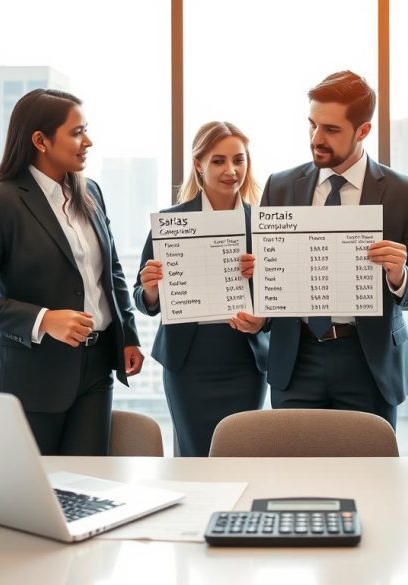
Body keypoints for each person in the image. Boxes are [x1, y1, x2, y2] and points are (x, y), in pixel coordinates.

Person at [0, 88, 144, 456]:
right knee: (35, 492)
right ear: (40, 140)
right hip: (31, 376)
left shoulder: (93, 194)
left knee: (87, 486)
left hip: (97, 370)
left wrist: (127, 335)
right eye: (76, 133)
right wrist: (44, 319)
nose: (87, 141)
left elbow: (111, 271)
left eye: (86, 130)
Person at [257, 71, 408, 428]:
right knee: (293, 476)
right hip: (297, 358)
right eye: (312, 125)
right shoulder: (280, 187)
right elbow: (265, 278)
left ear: (363, 131)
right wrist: (256, 278)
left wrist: (400, 275)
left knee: (369, 478)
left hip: (368, 362)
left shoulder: (405, 193)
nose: (316, 139)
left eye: (331, 130)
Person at [133, 121, 269, 456]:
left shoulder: (264, 223)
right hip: (188, 363)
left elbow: (283, 299)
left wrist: (263, 317)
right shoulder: (170, 222)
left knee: (241, 454)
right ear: (198, 165)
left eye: (239, 160)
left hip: (244, 360)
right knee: (194, 456)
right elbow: (143, 298)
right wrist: (151, 289)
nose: (231, 170)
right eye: (219, 161)